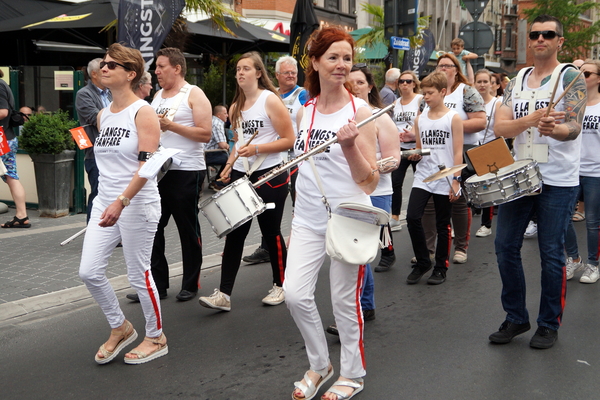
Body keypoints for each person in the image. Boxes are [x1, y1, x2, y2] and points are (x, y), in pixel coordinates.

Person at [284, 27, 378, 400]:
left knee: (344, 301)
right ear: (316, 62)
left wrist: (351, 146)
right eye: (334, 58)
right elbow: (304, 167)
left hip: (349, 218)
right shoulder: (303, 110)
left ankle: (352, 373)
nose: (342, 65)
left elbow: (369, 182)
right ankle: (320, 364)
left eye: (347, 58)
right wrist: (294, 219)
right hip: (307, 217)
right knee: (294, 294)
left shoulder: (361, 111)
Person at [489, 14, 585, 349]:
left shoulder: (569, 76)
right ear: (529, 40)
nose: (540, 39)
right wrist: (530, 120)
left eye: (548, 34)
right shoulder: (517, 80)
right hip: (519, 176)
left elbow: (573, 127)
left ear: (560, 41)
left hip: (558, 180)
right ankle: (516, 317)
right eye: (535, 34)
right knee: (504, 247)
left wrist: (554, 130)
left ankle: (548, 323)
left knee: (551, 253)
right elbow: (501, 128)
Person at [78, 43, 167, 364]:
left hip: (137, 204)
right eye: (103, 63)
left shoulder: (143, 112)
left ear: (130, 74)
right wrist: (108, 200)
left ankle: (156, 337)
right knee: (88, 271)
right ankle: (120, 327)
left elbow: (148, 166)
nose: (104, 68)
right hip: (106, 202)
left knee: (139, 274)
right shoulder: (103, 115)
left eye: (112, 65)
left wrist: (122, 201)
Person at [198, 52, 294, 311]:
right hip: (242, 174)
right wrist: (228, 167)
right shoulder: (235, 106)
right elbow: (238, 144)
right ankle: (224, 294)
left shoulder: (270, 101)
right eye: (238, 69)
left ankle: (281, 285)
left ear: (259, 73)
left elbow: (289, 139)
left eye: (246, 69)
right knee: (235, 232)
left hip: (270, 173)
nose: (240, 73)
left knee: (270, 231)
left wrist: (258, 148)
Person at [126, 47, 212, 303]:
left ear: (177, 68)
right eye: (156, 68)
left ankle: (191, 283)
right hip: (159, 170)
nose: (157, 72)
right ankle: (158, 284)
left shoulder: (194, 94)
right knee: (154, 227)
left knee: (187, 228)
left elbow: (205, 134)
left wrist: (171, 125)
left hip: (187, 170)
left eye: (161, 67)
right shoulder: (158, 96)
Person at [326, 63, 399, 336]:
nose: (353, 87)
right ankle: (362, 305)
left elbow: (395, 158)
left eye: (359, 83)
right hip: (345, 194)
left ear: (370, 87)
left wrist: (368, 165)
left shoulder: (380, 117)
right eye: (350, 83)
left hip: (376, 193)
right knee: (351, 254)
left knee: (357, 252)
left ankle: (358, 307)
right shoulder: (337, 116)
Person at [243, 55, 309, 265]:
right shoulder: (269, 96)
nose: (291, 76)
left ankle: (300, 245)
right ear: (277, 75)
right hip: (268, 159)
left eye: (294, 73)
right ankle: (267, 246)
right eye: (287, 73)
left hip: (295, 159)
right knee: (266, 206)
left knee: (297, 204)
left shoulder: (302, 94)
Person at [421, 53, 486, 264]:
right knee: (430, 201)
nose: (442, 69)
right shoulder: (430, 93)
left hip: (463, 150)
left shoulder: (466, 91)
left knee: (457, 199)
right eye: (439, 65)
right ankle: (429, 248)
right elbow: (423, 122)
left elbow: (480, 121)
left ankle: (461, 247)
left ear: (456, 70)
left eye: (447, 66)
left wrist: (450, 124)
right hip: (435, 151)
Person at [405, 71, 464, 285]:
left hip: (446, 177)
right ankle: (423, 261)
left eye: (429, 93)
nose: (426, 97)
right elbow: (421, 149)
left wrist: (456, 180)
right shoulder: (420, 119)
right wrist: (415, 153)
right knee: (412, 217)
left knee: (442, 224)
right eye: (424, 93)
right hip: (424, 175)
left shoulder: (453, 118)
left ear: (443, 92)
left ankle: (441, 267)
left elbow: (458, 152)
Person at [564, 59, 600, 283]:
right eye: (578, 73)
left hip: (596, 172)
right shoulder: (573, 104)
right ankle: (574, 259)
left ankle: (593, 265)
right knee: (563, 218)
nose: (581, 76)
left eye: (586, 74)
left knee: (592, 221)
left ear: (598, 78)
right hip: (571, 170)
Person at [75, 58, 112, 223]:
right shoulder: (83, 94)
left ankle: (111, 233)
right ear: (94, 74)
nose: (107, 71)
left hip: (114, 150)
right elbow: (94, 118)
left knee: (112, 193)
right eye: (103, 69)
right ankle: (93, 231)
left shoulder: (111, 92)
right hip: (96, 153)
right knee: (98, 194)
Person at [390, 71, 423, 234]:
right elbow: (393, 124)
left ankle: (422, 215)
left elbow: (423, 121)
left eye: (408, 81)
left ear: (414, 83)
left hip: (416, 146)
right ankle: (395, 216)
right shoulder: (396, 103)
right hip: (400, 147)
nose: (404, 84)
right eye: (401, 81)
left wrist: (413, 134)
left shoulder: (420, 100)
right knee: (395, 182)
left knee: (421, 181)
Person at [472, 69, 502, 238]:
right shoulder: (469, 102)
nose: (482, 85)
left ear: (492, 84)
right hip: (472, 148)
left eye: (486, 82)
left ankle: (486, 224)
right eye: (479, 82)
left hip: (490, 149)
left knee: (487, 187)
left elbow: (499, 129)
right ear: (474, 84)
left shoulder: (496, 103)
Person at [0, 70, 30, 229]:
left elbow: (3, 112)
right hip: (7, 138)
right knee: (11, 176)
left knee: (11, 176)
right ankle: (21, 215)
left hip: (2, 139)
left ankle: (22, 215)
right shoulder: (4, 84)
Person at [205, 105, 230, 190]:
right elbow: (222, 145)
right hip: (209, 154)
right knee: (231, 160)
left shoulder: (212, 121)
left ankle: (216, 181)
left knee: (227, 157)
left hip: (206, 152)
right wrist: (228, 145)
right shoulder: (217, 123)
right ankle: (218, 182)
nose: (227, 115)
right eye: (225, 113)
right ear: (219, 115)